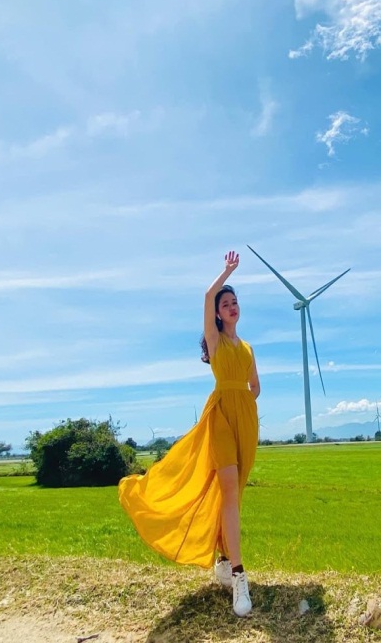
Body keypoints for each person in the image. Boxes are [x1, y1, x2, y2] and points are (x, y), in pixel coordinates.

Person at [118, 251, 260, 617]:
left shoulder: (247, 348)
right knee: (227, 484)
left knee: (234, 493)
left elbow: (255, 387)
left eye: (234, 302)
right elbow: (205, 296)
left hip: (246, 418)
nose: (231, 306)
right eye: (225, 303)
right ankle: (240, 578)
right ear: (216, 312)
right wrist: (226, 273)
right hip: (221, 418)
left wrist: (244, 401)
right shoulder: (216, 343)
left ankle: (225, 560)